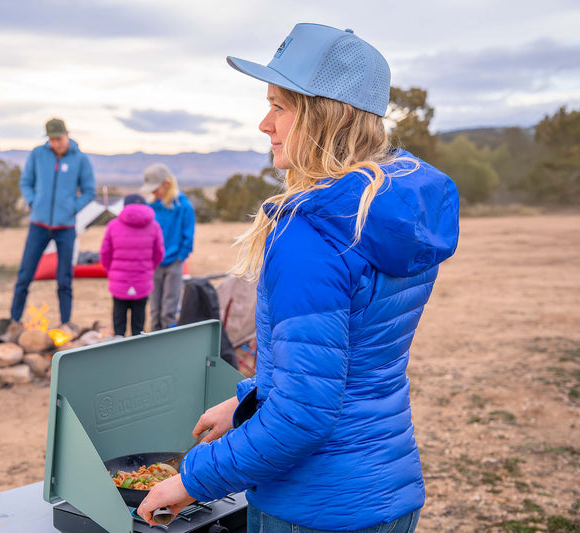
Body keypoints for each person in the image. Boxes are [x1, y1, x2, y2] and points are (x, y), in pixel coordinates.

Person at [137, 23, 460, 532]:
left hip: (314, 507)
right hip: (389, 493)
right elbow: (349, 362)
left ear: (325, 117)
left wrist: (190, 480)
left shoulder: (310, 236)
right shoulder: (393, 213)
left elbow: (302, 418)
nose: (264, 124)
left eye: (280, 107)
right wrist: (248, 397)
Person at [10, 118, 95, 325]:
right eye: (52, 139)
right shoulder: (38, 155)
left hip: (66, 227)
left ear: (67, 134)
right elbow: (26, 182)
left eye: (59, 138)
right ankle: (14, 321)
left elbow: (89, 191)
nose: (56, 143)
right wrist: (33, 202)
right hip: (38, 225)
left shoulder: (80, 159)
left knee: (64, 279)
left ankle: (66, 323)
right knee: (25, 275)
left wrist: (72, 208)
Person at [139, 163, 196, 330]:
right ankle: (154, 346)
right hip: (154, 263)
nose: (153, 192)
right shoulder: (150, 208)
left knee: (168, 310)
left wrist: (181, 257)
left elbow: (188, 235)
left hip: (174, 263)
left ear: (167, 184)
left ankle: (169, 344)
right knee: (155, 309)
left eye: (155, 188)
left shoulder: (183, 206)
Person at [99, 194, 165, 337]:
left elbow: (105, 253)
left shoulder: (113, 225)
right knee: (138, 324)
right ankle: (137, 352)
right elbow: (159, 253)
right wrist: (149, 269)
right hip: (142, 281)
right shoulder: (154, 226)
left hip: (119, 281)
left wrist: (110, 271)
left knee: (119, 321)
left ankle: (118, 348)